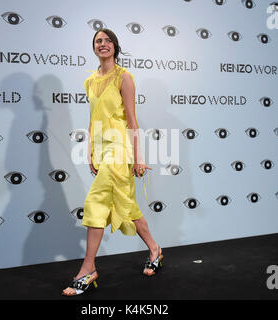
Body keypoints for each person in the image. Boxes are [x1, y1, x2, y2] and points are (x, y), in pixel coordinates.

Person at [62, 29, 163, 296]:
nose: (103, 44)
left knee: (95, 201)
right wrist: (91, 151)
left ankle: (88, 269)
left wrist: (138, 158)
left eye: (108, 41)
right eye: (98, 41)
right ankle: (155, 249)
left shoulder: (124, 77)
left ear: (115, 47)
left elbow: (132, 120)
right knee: (126, 204)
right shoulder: (89, 80)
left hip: (120, 148)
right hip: (102, 148)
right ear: (93, 47)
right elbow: (93, 117)